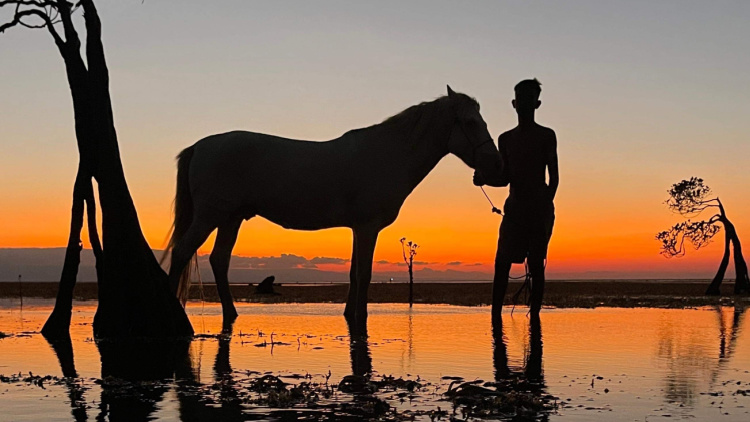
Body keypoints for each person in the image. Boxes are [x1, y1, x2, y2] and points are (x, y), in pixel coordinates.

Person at [474, 78, 558, 317]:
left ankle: (535, 319)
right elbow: (505, 177)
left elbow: (554, 177)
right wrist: (484, 179)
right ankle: (495, 318)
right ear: (514, 103)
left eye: (530, 100)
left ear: (537, 104)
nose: (525, 104)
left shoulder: (547, 136)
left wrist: (545, 205)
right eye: (521, 100)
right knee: (501, 265)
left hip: (539, 210)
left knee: (536, 266)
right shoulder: (506, 139)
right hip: (514, 211)